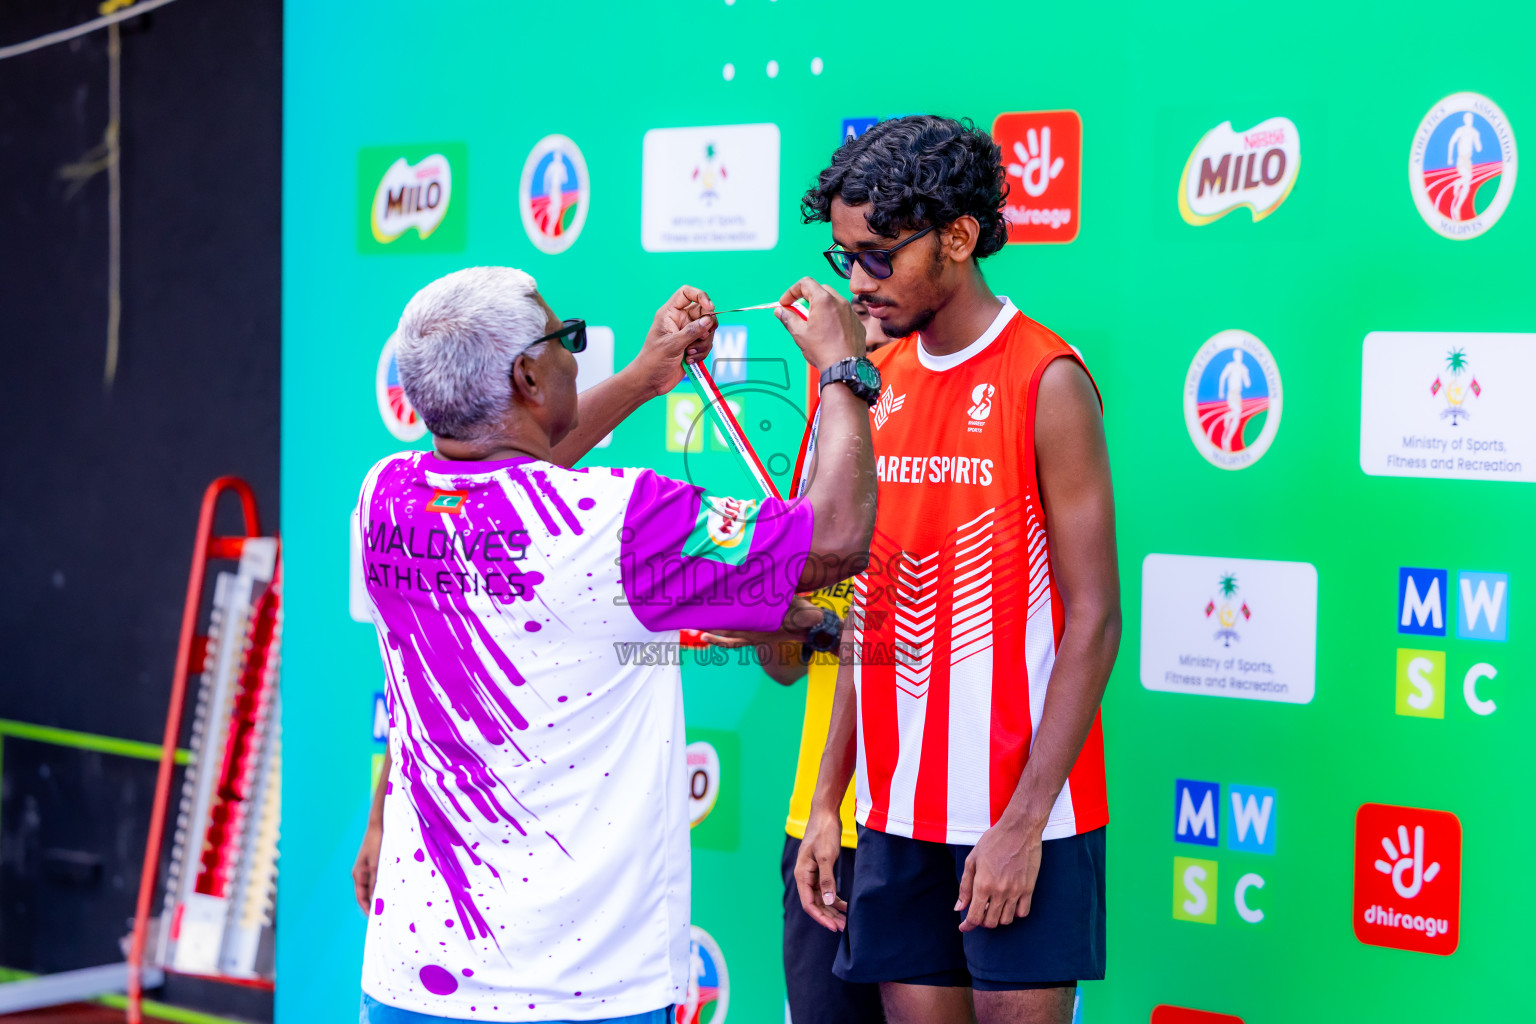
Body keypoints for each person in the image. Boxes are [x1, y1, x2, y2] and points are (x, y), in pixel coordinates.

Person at [349, 266, 880, 1023]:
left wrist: (642, 379)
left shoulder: (385, 495)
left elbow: (512, 473)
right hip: (584, 990)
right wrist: (844, 370)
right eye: (564, 339)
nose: (576, 353)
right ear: (528, 376)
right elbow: (833, 540)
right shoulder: (616, 522)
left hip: (414, 980)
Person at [793, 115, 1121, 1024]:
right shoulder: (868, 383)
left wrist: (1024, 822)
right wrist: (828, 801)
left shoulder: (1046, 377)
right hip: (893, 818)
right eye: (844, 258)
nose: (857, 283)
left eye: (878, 257)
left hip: (1024, 821)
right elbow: (869, 614)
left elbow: (1096, 619)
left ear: (960, 237)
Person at [700, 298, 894, 1024]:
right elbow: (787, 665)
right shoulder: (824, 466)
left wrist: (819, 625)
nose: (862, 317)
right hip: (823, 825)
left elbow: (929, 642)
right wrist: (764, 614)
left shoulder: (947, 453)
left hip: (924, 825)